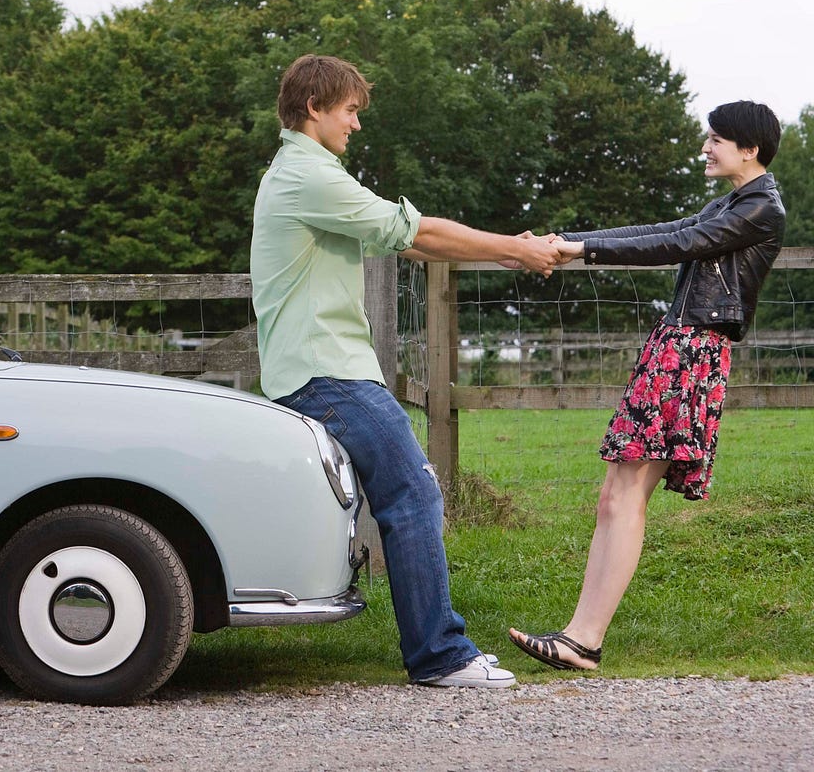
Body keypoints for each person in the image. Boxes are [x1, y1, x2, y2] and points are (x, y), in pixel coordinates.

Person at [250, 54, 563, 688]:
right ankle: (440, 656)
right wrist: (516, 248)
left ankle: (435, 651)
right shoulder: (309, 178)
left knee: (398, 494)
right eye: (349, 112)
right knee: (412, 492)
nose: (356, 125)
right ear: (314, 109)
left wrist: (505, 254)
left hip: (319, 367)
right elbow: (416, 227)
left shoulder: (303, 173)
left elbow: (403, 238)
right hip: (326, 372)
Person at [509, 100, 786, 671]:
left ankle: (584, 638)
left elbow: (676, 246)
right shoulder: (734, 202)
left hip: (692, 351)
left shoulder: (761, 208)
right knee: (615, 492)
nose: (706, 148)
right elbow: (663, 230)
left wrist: (580, 249)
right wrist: (570, 241)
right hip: (675, 344)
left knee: (628, 492)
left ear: (749, 148)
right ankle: (578, 636)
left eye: (716, 139)